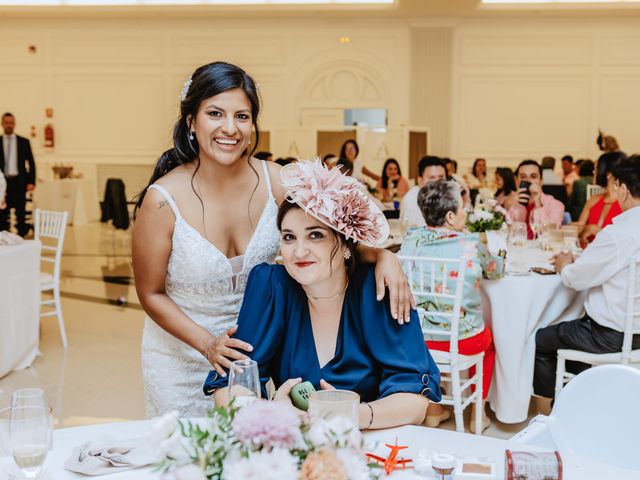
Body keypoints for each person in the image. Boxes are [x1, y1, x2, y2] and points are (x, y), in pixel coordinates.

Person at [132, 62, 414, 418]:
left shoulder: (277, 181)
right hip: (180, 359)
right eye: (215, 114)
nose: (230, 128)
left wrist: (382, 257)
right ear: (191, 120)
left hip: (255, 350)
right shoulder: (162, 200)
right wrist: (208, 344)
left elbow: (328, 233)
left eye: (242, 116)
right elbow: (150, 293)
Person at [205, 160, 441, 430]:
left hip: (369, 443)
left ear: (345, 244)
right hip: (291, 443)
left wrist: (349, 416)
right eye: (289, 237)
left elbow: (416, 402)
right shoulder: (271, 287)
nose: (299, 251)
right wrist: (269, 412)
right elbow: (229, 387)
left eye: (315, 235)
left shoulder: (378, 289)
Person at [534, 154, 640, 406]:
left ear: (623, 189)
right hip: (636, 330)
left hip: (609, 335)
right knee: (572, 334)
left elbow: (576, 279)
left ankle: (545, 415)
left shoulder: (617, 235)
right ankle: (584, 398)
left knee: (543, 339)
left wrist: (563, 265)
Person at [399, 179, 503, 433]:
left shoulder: (411, 239)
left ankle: (434, 410)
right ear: (449, 216)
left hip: (416, 339)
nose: (465, 212)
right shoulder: (470, 244)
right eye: (462, 208)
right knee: (491, 343)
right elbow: (495, 271)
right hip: (462, 341)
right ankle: (478, 414)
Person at [574, 152, 625, 246]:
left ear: (608, 174)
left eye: (596, 168)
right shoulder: (593, 200)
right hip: (587, 254)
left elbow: (626, 240)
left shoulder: (625, 204)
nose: (593, 172)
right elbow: (579, 228)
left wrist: (596, 230)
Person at [0, 113, 36, 237]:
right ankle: (4, 239)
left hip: (19, 182)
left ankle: (21, 238)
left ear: (14, 124)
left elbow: (31, 163)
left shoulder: (23, 142)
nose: (9, 125)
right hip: (2, 184)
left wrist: (31, 181)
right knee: (2, 213)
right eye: (6, 122)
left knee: (20, 212)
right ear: (2, 124)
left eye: (11, 123)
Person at [509, 159, 565, 239]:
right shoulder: (514, 203)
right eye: (523, 177)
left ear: (541, 181)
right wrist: (516, 206)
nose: (528, 181)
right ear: (517, 181)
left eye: (533, 176)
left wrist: (538, 203)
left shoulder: (556, 205)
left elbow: (549, 235)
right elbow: (509, 233)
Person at [400, 156, 446, 227]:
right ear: (420, 181)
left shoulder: (448, 194)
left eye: (441, 177)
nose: (437, 182)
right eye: (432, 178)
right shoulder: (411, 200)